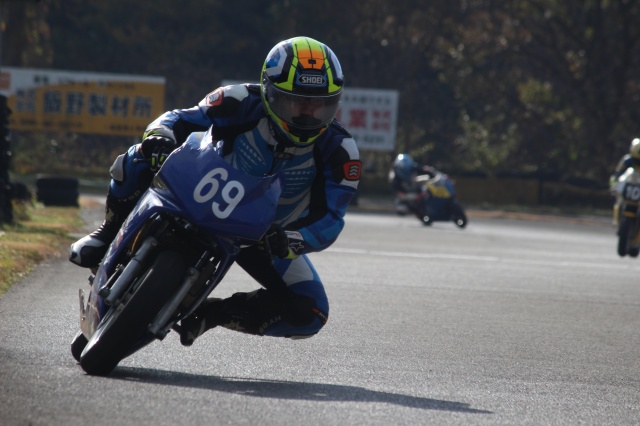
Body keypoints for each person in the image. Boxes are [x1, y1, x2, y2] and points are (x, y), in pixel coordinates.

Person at [69, 36, 361, 345]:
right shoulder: (239, 99)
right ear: (270, 92)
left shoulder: (341, 151)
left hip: (261, 236)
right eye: (297, 103)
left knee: (311, 311)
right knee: (140, 155)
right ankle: (108, 230)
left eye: (321, 105)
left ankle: (214, 314)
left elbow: (331, 217)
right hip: (198, 189)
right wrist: (159, 136)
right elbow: (180, 118)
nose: (309, 115)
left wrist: (292, 240)